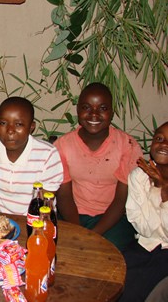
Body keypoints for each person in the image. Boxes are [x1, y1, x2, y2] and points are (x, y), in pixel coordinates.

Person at [54, 82, 143, 251]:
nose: (94, 114)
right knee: (61, 246)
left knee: (107, 250)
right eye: (86, 107)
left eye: (102, 108)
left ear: (111, 112)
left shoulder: (127, 145)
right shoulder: (63, 145)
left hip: (113, 218)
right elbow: (64, 195)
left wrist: (94, 233)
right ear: (78, 110)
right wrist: (78, 231)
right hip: (74, 215)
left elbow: (121, 199)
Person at [0, 96, 63, 215]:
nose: (10, 130)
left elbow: (44, 208)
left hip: (37, 222)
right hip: (0, 220)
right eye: (3, 123)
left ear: (31, 127)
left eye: (18, 124)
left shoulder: (48, 155)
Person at [120, 121, 168, 301]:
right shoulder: (139, 176)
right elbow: (144, 228)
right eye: (159, 138)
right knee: (114, 281)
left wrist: (164, 188)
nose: (164, 144)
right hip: (145, 245)